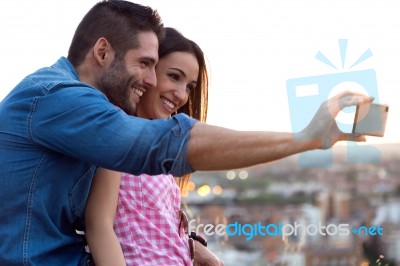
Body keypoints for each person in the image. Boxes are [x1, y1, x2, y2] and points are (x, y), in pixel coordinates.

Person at [0, 0, 372, 265]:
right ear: (102, 52)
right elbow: (157, 148)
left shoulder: (78, 109)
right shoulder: (56, 98)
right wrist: (305, 138)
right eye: (145, 64)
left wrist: (191, 246)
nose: (150, 78)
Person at [85, 27, 222, 266]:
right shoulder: (118, 131)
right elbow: (99, 225)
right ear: (147, 72)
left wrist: (195, 248)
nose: (181, 95)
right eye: (174, 76)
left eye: (189, 86)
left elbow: (154, 229)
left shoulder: (153, 148)